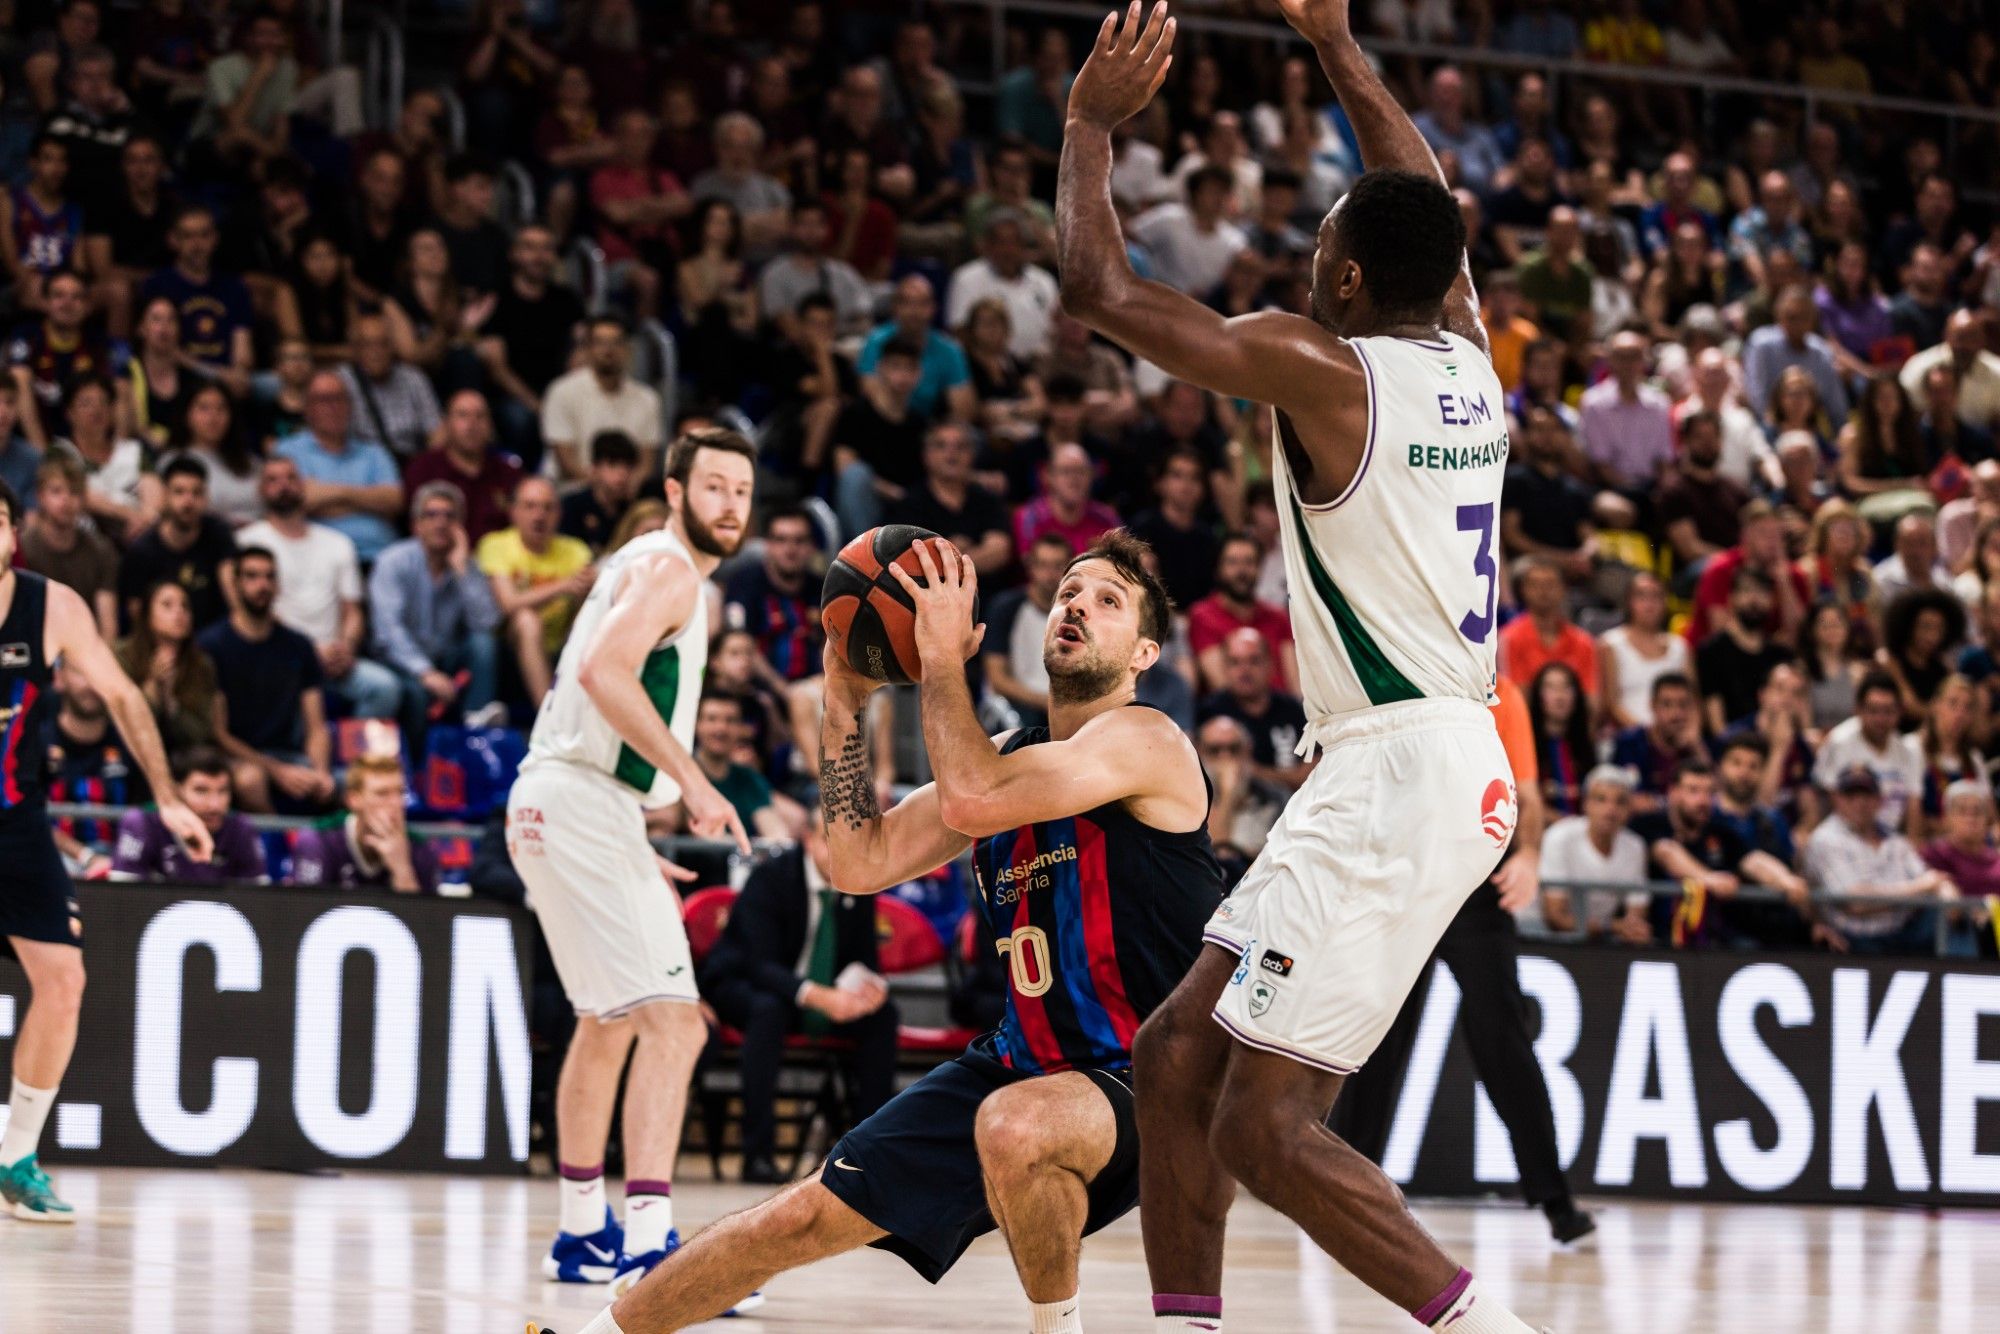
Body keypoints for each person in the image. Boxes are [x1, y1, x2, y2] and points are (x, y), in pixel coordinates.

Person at [1052, 8, 1543, 1330]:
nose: (1309, 257)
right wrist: (1333, 44)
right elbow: (1424, 200)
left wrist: (1090, 125)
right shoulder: (1464, 359)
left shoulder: (1323, 368)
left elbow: (1101, 292)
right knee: (1175, 1058)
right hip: (1408, 759)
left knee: (1265, 1128)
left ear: (1339, 284)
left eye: (1321, 247)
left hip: (1402, 771)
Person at [564, 530, 1223, 1334]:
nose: (1077, 604)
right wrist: (845, 703)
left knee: (1016, 1125)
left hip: (1151, 1077)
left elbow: (972, 799)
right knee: (793, 1220)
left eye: (1107, 600)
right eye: (1068, 592)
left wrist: (941, 662)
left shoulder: (1146, 739)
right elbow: (856, 861)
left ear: (1144, 653)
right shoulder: (1006, 758)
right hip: (1025, 1064)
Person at [504, 429, 756, 1298]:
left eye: (743, 491)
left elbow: (596, 697)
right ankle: (651, 1249)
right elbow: (609, 672)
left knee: (606, 1019)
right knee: (675, 1023)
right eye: (714, 487)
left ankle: (581, 1232)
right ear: (675, 491)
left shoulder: (637, 564)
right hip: (575, 801)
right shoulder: (673, 572)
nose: (730, 504)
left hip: (554, 797)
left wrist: (634, 835)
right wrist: (693, 783)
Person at [0, 479, 213, 1223]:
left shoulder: (51, 605)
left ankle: (15, 1158)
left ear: (13, 533)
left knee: (63, 982)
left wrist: (166, 796)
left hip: (16, 824)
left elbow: (123, 696)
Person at [1334, 673, 1593, 1244]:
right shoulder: (1404, 670)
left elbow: (1525, 787)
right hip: (1404, 873)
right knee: (1377, 1036)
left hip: (1477, 879)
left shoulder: (1501, 688)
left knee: (1502, 1036)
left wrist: (1529, 851)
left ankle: (1556, 1200)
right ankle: (1344, 1194)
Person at [697, 802, 896, 1185]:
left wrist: (867, 991)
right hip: (744, 984)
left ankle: (872, 1156)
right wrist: (819, 997)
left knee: (882, 1019)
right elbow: (758, 964)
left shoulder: (858, 882)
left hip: (819, 994)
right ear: (808, 839)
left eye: (848, 841)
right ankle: (757, 1155)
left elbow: (864, 958)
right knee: (768, 1011)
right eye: (829, 840)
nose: (840, 851)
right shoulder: (772, 877)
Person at [236, 455, 401, 720]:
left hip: (335, 658)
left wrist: (346, 648)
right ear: (261, 490)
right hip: (279, 658)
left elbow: (353, 610)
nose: (284, 485)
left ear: (303, 486)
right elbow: (253, 610)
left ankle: (353, 758)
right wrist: (308, 650)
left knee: (385, 688)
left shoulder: (337, 543)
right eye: (273, 480)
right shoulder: (247, 543)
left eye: (291, 478)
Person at [199, 544, 335, 814]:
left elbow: (316, 725)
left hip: (291, 754)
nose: (262, 585)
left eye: (269, 576)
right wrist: (276, 771)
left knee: (347, 785)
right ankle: (278, 849)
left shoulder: (299, 645)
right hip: (237, 757)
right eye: (252, 576)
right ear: (236, 584)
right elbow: (219, 734)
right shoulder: (210, 646)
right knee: (250, 780)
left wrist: (320, 772)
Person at [368, 482, 505, 738]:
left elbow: (487, 624)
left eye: (449, 516)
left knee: (483, 644)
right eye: (431, 515)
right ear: (416, 525)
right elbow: (388, 631)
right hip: (399, 662)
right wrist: (425, 672)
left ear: (459, 526)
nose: (440, 523)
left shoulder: (465, 563)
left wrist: (462, 571)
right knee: (418, 693)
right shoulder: (393, 562)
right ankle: (419, 768)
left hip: (445, 659)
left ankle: (476, 725)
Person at [1804, 765, 1954, 957]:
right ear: (1837, 800)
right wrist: (1918, 888)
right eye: (1851, 796)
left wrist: (1946, 893)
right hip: (1854, 943)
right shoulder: (1825, 839)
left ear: (1879, 800)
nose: (1860, 803)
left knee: (1946, 920)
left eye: (1867, 795)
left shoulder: (1894, 839)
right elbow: (1855, 902)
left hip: (1904, 936)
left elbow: (1933, 879)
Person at [478, 476, 595, 707]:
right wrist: (564, 585)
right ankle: (547, 716)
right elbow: (508, 604)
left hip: (563, 641)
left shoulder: (576, 550)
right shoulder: (496, 544)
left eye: (548, 508)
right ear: (513, 511)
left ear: (559, 514)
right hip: (508, 645)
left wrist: (589, 588)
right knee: (526, 619)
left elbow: (587, 607)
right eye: (530, 506)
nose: (539, 516)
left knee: (595, 613)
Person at [274, 370, 403, 563]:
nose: (333, 407)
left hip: (379, 555)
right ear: (308, 408)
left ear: (350, 406)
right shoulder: (289, 451)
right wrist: (369, 500)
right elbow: (300, 500)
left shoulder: (374, 452)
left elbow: (394, 500)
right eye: (324, 400)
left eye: (339, 399)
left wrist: (334, 495)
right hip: (318, 561)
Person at [109, 747, 266, 883]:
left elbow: (258, 903)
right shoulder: (142, 823)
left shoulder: (240, 828)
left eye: (223, 791)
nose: (214, 805)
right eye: (201, 791)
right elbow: (122, 900)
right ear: (176, 791)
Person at [116, 455, 237, 631]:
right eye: (179, 492)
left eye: (197, 493)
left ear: (206, 497)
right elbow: (136, 613)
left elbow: (232, 591)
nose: (188, 501)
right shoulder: (142, 550)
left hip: (211, 642)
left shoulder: (218, 534)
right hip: (160, 641)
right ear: (165, 495)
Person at [541, 315, 665, 483]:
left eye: (616, 342)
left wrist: (622, 486)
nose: (608, 350)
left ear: (628, 349)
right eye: (600, 342)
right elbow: (566, 462)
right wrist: (604, 488)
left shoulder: (647, 399)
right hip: (574, 489)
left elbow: (647, 463)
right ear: (587, 349)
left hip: (629, 491)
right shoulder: (561, 392)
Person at [291, 754, 438, 893]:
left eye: (400, 793)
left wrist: (402, 870)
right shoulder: (319, 840)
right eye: (382, 793)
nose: (396, 803)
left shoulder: (421, 848)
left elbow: (424, 919)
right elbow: (306, 914)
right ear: (353, 800)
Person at [1537, 763, 1652, 941]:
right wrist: (1613, 927)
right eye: (1601, 799)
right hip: (1539, 935)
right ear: (1586, 804)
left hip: (1597, 941)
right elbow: (1555, 917)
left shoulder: (1635, 846)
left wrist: (1629, 929)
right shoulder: (1559, 837)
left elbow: (1636, 917)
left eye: (1620, 802)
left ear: (1629, 809)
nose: (1610, 810)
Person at [400, 388, 524, 545]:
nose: (472, 425)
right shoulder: (423, 469)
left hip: (500, 564)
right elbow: (416, 529)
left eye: (480, 416)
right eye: (463, 415)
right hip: (442, 561)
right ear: (446, 424)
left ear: (490, 425)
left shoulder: (508, 472)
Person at [722, 504, 823, 685]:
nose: (790, 550)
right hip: (759, 689)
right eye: (781, 540)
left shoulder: (824, 589)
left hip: (815, 689)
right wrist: (785, 692)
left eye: (799, 541)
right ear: (767, 544)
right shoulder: (745, 585)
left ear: (811, 547)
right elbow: (742, 646)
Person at [1813, 670, 1923, 833]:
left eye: (1888, 711)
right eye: (1873, 710)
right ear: (1858, 709)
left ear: (1900, 712)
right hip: (1846, 836)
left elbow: (1914, 808)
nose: (1880, 719)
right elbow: (1830, 801)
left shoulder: (1909, 750)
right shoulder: (1839, 742)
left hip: (1892, 841)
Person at [1185, 534, 1296, 695]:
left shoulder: (1278, 617)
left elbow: (1296, 686)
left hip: (1283, 712)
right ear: (1218, 569)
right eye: (1232, 562)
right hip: (1232, 714)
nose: (1241, 571)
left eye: (1249, 562)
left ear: (1260, 568)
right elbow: (1222, 687)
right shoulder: (1202, 616)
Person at [982, 532, 1067, 730]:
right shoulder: (1006, 608)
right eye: (1043, 565)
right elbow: (997, 678)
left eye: (1058, 566)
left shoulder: (1079, 612)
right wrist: (1046, 702)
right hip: (1019, 707)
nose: (1050, 574)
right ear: (1030, 565)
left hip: (1066, 706)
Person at [1609, 673, 1709, 810]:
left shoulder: (1696, 747)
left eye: (1683, 705)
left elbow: (1714, 797)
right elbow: (1631, 801)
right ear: (1652, 706)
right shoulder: (1630, 743)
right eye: (1667, 705)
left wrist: (1697, 748)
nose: (1676, 713)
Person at [559, 430, 640, 552]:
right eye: (613, 465)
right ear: (594, 468)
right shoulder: (572, 507)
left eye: (627, 466)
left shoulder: (634, 510)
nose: (622, 473)